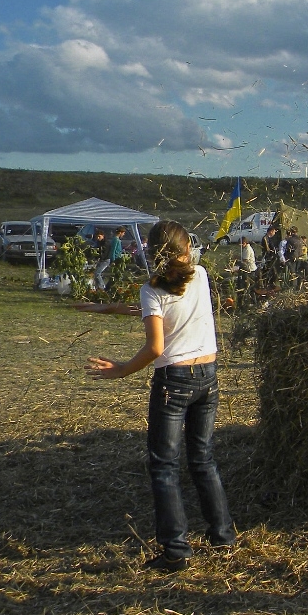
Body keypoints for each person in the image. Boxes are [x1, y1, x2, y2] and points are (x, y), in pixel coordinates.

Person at [84, 220, 236, 572]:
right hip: (208, 376)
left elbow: (156, 346)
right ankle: (223, 535)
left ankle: (176, 549)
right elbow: (178, 309)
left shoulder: (151, 289)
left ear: (152, 253)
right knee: (203, 458)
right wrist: (118, 309)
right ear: (186, 250)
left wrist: (121, 368)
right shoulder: (200, 275)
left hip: (175, 380)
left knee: (164, 465)